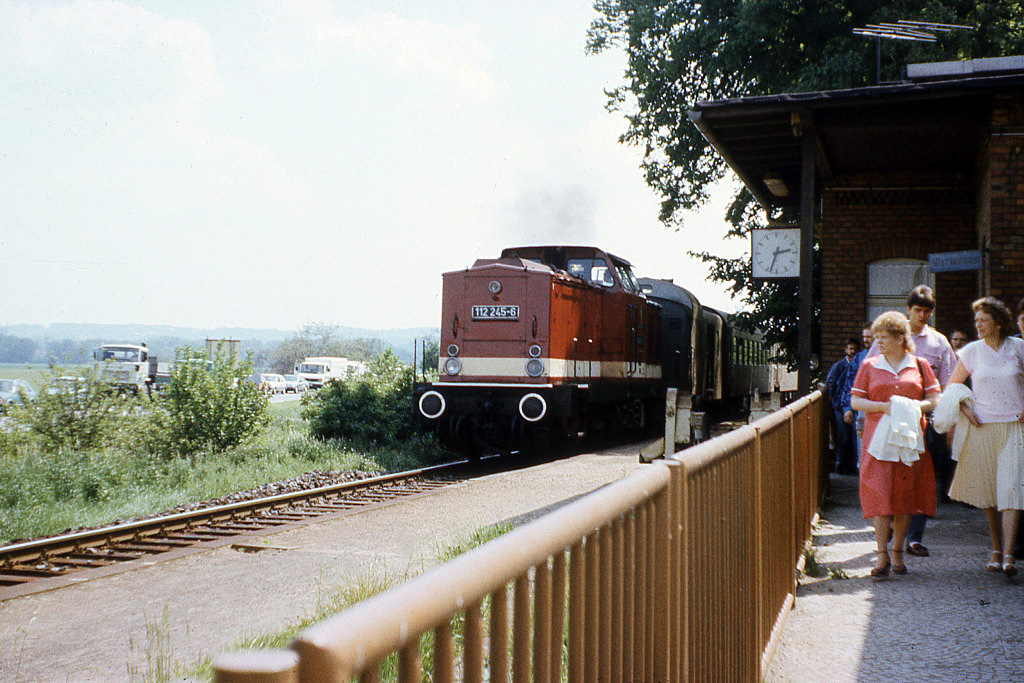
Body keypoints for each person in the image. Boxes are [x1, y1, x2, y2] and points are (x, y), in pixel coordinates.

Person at [860, 286, 956, 557]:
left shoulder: (939, 342)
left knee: (917, 479)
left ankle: (914, 537)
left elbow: (948, 382)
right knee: (887, 479)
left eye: (928, 311)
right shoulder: (887, 336)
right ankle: (889, 533)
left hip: (924, 421)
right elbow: (869, 377)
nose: (923, 315)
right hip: (887, 423)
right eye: (918, 310)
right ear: (908, 310)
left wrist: (943, 416)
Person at [851, 311, 939, 578]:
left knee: (904, 495)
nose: (878, 342)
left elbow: (935, 399)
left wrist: (912, 407)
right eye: (876, 337)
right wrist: (885, 407)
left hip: (909, 440)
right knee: (880, 493)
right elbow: (856, 402)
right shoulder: (870, 366)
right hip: (877, 440)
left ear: (901, 338)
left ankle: (898, 551)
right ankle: (881, 555)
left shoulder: (919, 364)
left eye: (884, 337)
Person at [946, 297, 1024, 576]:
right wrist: (966, 410)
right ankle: (995, 547)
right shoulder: (971, 352)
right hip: (983, 428)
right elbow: (952, 387)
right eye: (976, 320)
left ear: (999, 323)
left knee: (1013, 488)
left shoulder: (1018, 347)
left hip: (1015, 427)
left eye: (983, 320)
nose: (977, 325)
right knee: (991, 492)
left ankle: (1010, 556)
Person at [841, 324, 874, 470]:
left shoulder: (887, 356)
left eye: (869, 336)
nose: (866, 339)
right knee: (862, 450)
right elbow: (849, 384)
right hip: (862, 409)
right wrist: (847, 408)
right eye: (865, 336)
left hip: (882, 408)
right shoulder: (858, 358)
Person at [826, 338, 860, 474]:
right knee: (843, 435)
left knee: (854, 436)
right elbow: (830, 385)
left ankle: (851, 465)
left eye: (854, 349)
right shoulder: (838, 366)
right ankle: (839, 465)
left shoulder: (859, 365)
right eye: (849, 348)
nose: (852, 351)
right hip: (839, 407)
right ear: (846, 350)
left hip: (855, 405)